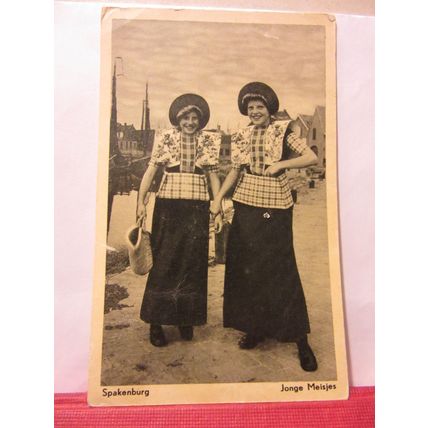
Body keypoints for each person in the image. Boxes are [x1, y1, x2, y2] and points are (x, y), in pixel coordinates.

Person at [210, 82, 319, 371]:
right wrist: (218, 198)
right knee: (248, 267)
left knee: (281, 268)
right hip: (246, 202)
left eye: (260, 107)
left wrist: (281, 166)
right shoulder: (242, 134)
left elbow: (311, 157)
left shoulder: (283, 130)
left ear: (270, 109)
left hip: (276, 203)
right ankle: (255, 327)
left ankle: (299, 338)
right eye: (250, 108)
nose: (255, 111)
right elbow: (235, 169)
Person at [137, 93, 222, 347]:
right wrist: (140, 203)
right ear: (178, 119)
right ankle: (156, 323)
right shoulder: (165, 138)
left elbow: (213, 176)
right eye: (186, 117)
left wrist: (217, 206)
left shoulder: (208, 141)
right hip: (168, 207)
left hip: (197, 207)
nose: (190, 122)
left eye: (195, 118)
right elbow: (151, 171)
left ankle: (187, 318)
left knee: (193, 262)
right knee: (165, 261)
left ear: (200, 120)